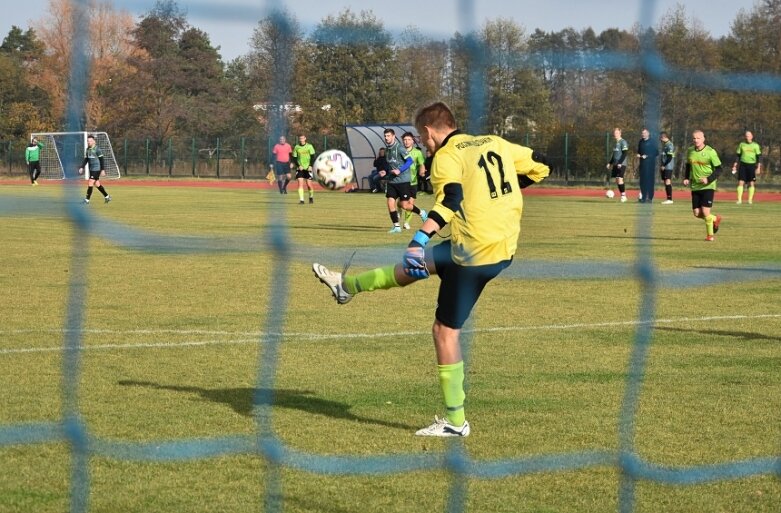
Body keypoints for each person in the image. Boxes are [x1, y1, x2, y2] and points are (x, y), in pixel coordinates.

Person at [312, 101, 550, 437]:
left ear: (428, 131)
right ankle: (347, 286)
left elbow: (450, 201)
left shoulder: (446, 157)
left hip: (474, 254)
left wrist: (419, 238)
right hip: (502, 246)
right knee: (416, 268)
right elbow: (542, 166)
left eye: (423, 141)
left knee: (444, 331)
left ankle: (456, 423)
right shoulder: (495, 142)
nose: (425, 146)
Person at [377, 128, 427, 233]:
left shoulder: (399, 148)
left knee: (404, 205)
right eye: (385, 136)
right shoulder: (387, 150)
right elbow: (390, 165)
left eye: (388, 136)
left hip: (403, 181)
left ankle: (421, 213)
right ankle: (396, 226)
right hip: (392, 181)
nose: (386, 138)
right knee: (390, 202)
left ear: (394, 136)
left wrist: (400, 170)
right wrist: (385, 172)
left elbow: (410, 161)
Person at [684, 130, 722, 242]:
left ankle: (710, 236)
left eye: (698, 138)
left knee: (705, 212)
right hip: (695, 186)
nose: (696, 140)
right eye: (694, 138)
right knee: (697, 213)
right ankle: (715, 219)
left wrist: (708, 179)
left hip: (708, 186)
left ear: (703, 139)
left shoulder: (710, 151)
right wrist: (686, 177)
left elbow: (720, 169)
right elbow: (688, 165)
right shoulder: (690, 150)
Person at [401, 132, 427, 230]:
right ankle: (421, 212)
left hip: (413, 182)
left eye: (408, 139)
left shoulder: (418, 152)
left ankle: (406, 223)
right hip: (401, 181)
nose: (406, 142)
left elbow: (421, 164)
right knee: (402, 204)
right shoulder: (400, 151)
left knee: (410, 203)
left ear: (412, 141)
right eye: (404, 140)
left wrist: (422, 170)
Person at [78, 134, 111, 204]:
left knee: (90, 182)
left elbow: (102, 160)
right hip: (91, 169)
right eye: (88, 141)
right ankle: (107, 196)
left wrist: (102, 169)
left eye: (90, 141)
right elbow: (86, 159)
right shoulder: (87, 149)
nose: (88, 142)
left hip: (97, 169)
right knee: (97, 184)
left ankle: (87, 200)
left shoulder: (97, 149)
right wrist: (82, 167)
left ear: (94, 142)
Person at [732, 130, 762, 205]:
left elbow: (759, 157)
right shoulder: (742, 144)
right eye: (746, 136)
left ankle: (750, 200)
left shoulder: (756, 145)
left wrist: (758, 167)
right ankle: (739, 200)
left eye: (748, 135)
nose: (747, 137)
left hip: (752, 165)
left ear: (752, 136)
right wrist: (735, 165)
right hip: (743, 165)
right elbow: (738, 156)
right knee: (740, 182)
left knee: (751, 183)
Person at [606, 128, 629, 202]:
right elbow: (614, 155)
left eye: (616, 133)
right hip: (615, 164)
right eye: (614, 133)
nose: (615, 134)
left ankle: (623, 196)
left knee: (620, 178)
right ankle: (623, 195)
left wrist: (620, 163)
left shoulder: (623, 142)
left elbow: (625, 153)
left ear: (620, 133)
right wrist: (610, 163)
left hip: (621, 164)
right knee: (617, 180)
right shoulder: (616, 143)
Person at [292, 134, 316, 204]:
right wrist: (298, 165)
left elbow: (312, 156)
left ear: (305, 138)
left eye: (302, 138)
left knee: (309, 185)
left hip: (308, 168)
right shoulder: (297, 147)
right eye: (300, 138)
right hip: (300, 168)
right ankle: (301, 200)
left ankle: (311, 197)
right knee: (300, 183)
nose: (301, 139)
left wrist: (310, 166)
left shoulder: (309, 146)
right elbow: (294, 158)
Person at [636, 128, 658, 203]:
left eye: (645, 133)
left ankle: (650, 198)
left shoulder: (652, 142)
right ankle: (644, 197)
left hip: (650, 165)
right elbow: (639, 151)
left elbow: (656, 153)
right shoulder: (640, 142)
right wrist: (638, 155)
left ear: (648, 134)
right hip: (642, 165)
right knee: (642, 182)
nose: (643, 134)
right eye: (642, 133)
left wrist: (647, 156)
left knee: (650, 181)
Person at [659, 131, 675, 204]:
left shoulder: (669, 145)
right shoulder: (665, 145)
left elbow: (670, 157)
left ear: (664, 137)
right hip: (665, 167)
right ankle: (668, 198)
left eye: (661, 138)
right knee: (666, 182)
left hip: (668, 166)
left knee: (668, 181)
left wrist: (664, 165)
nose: (660, 139)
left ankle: (670, 199)